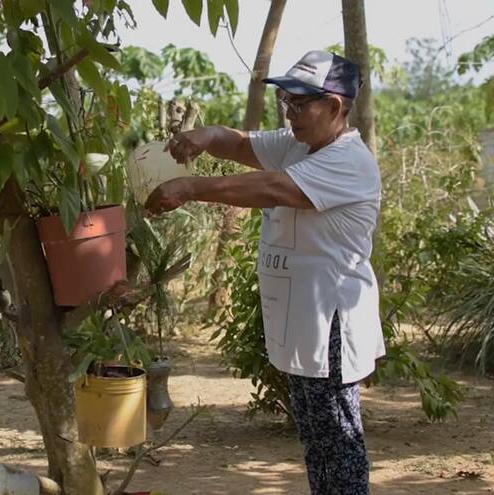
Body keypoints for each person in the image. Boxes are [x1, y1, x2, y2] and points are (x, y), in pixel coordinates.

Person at [145, 50, 384, 495]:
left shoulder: (347, 161)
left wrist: (192, 187)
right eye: (285, 102)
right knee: (317, 443)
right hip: (300, 323)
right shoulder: (297, 143)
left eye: (300, 104)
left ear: (335, 106)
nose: (290, 113)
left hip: (330, 325)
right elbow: (239, 144)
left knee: (339, 442)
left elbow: (275, 187)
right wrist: (205, 135)